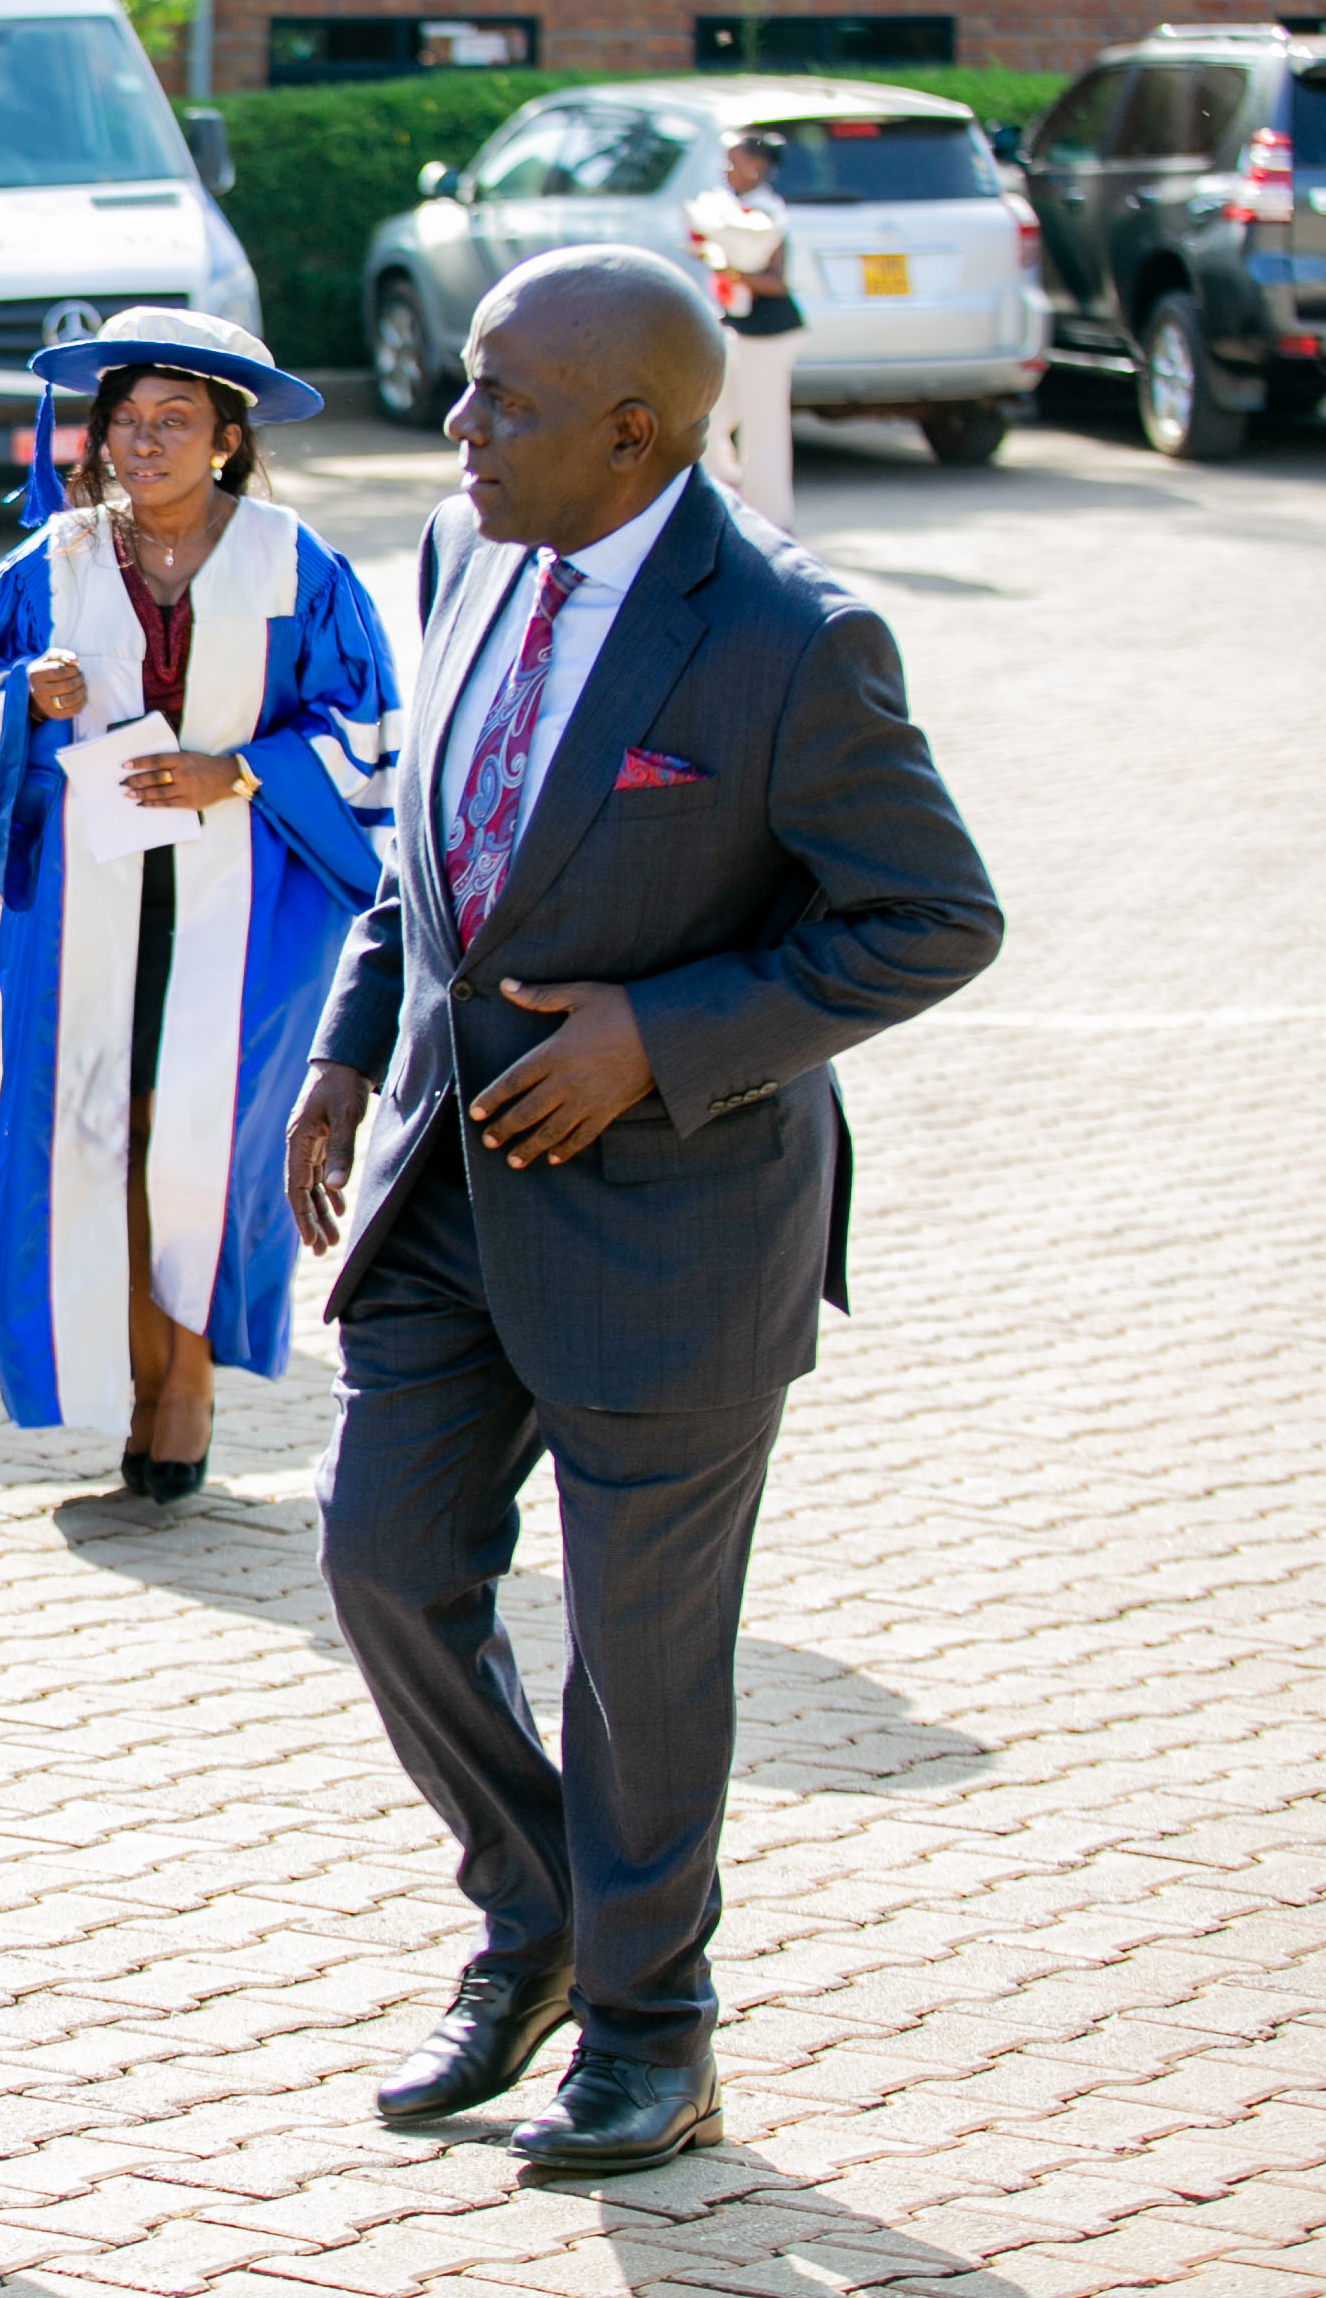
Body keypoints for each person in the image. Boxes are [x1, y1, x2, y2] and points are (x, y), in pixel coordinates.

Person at [284, 244, 999, 2174]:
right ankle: (537, 1916)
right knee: (380, 1559)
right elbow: (439, 850)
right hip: (445, 1182)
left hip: (671, 1225)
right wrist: (349, 1048)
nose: (456, 423)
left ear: (631, 432)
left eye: (501, 401)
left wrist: (661, 1039)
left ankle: (654, 2034)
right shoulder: (464, 546)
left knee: (640, 1658)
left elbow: (934, 917)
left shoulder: (789, 639)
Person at [0, 310, 398, 1504]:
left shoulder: (295, 566)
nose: (143, 442)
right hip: (89, 909)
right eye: (126, 421)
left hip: (250, 912)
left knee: (212, 1140)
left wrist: (235, 772)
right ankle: (135, 1378)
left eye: (175, 421)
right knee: (106, 1134)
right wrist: (22, 699)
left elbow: (372, 733)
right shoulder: (54, 563)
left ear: (228, 440)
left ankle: (186, 1381)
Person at [688, 130, 802, 529]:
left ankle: (769, 517)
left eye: (732, 161)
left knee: (764, 426)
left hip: (769, 331)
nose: (725, 169)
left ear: (755, 166)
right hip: (732, 323)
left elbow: (777, 282)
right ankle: (722, 495)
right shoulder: (726, 208)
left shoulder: (767, 215)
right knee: (714, 413)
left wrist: (731, 269)